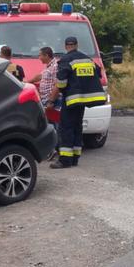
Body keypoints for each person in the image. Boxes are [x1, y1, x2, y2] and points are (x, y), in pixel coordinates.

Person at [47, 37, 106, 169]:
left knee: (66, 128)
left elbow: (61, 83)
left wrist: (51, 100)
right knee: (77, 127)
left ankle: (65, 160)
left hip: (72, 100)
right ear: (77, 45)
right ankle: (75, 158)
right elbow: (98, 74)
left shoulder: (66, 60)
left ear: (66, 46)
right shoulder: (88, 59)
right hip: (84, 101)